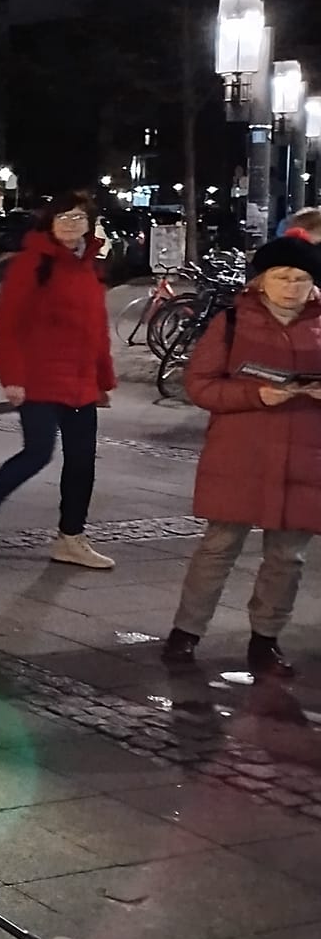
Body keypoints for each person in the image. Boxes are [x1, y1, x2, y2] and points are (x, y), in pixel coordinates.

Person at [161, 237, 321, 678]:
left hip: (306, 459)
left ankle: (265, 641)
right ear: (261, 281)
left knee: (288, 558)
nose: (292, 287)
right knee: (218, 547)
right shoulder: (231, 321)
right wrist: (256, 394)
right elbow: (200, 385)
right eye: (282, 277)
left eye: (302, 279)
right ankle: (186, 632)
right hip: (241, 454)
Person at [0, 192, 118, 569]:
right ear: (49, 223)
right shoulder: (31, 265)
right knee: (38, 453)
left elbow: (97, 329)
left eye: (78, 217)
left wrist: (103, 380)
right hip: (39, 378)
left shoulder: (89, 267)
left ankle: (70, 538)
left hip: (81, 381)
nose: (70, 223)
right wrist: (12, 378)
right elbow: (7, 327)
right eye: (62, 216)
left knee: (82, 462)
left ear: (89, 223)